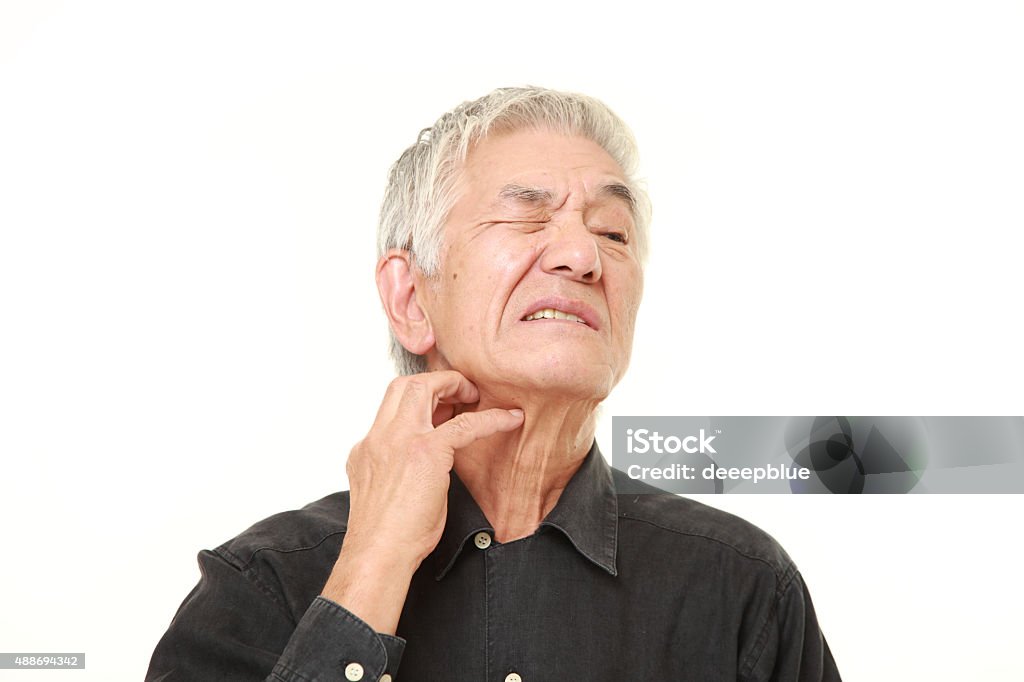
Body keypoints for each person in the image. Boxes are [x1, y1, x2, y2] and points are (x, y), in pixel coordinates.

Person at [146, 86, 841, 681]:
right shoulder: (263, 585)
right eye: (527, 215)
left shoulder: (741, 586)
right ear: (412, 298)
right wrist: (374, 565)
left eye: (613, 232)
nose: (582, 256)